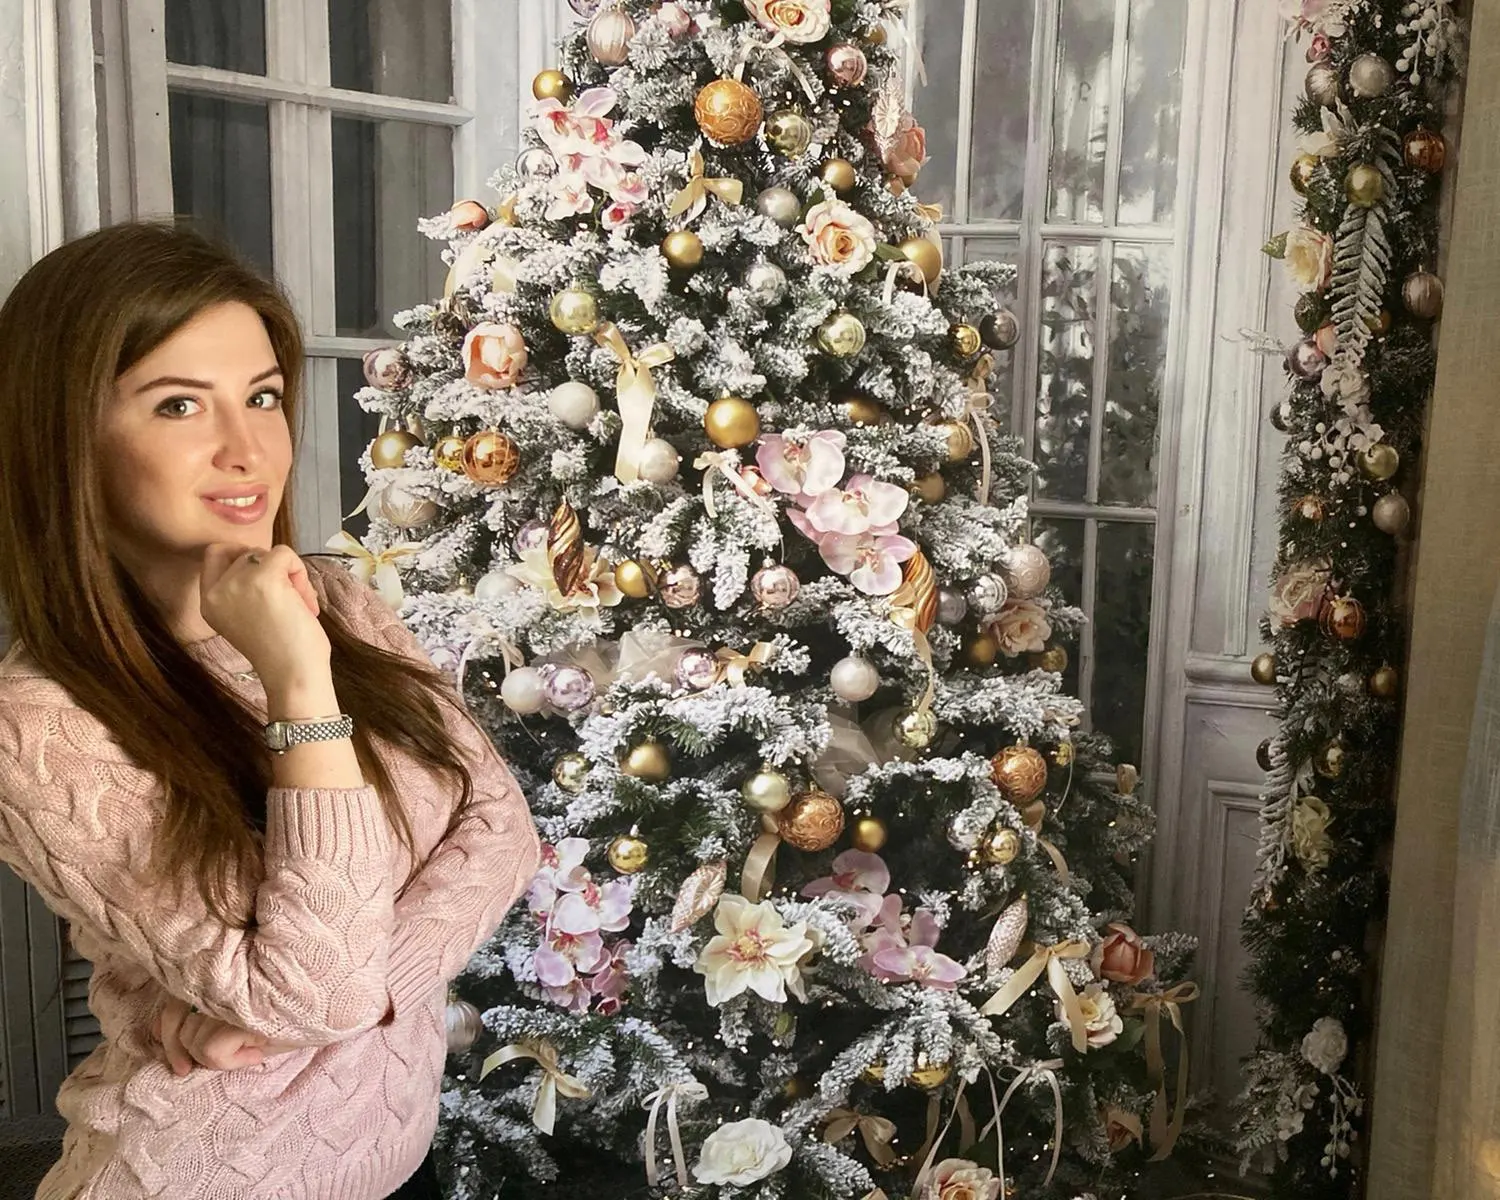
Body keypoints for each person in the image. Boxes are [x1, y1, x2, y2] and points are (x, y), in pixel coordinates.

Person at [0, 221, 541, 1199]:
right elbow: (315, 992)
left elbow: (504, 832)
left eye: (261, 396)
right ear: (67, 436)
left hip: (392, 1158)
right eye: (178, 405)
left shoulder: (338, 601)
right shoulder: (41, 725)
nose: (246, 449)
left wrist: (351, 995)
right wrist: (298, 682)